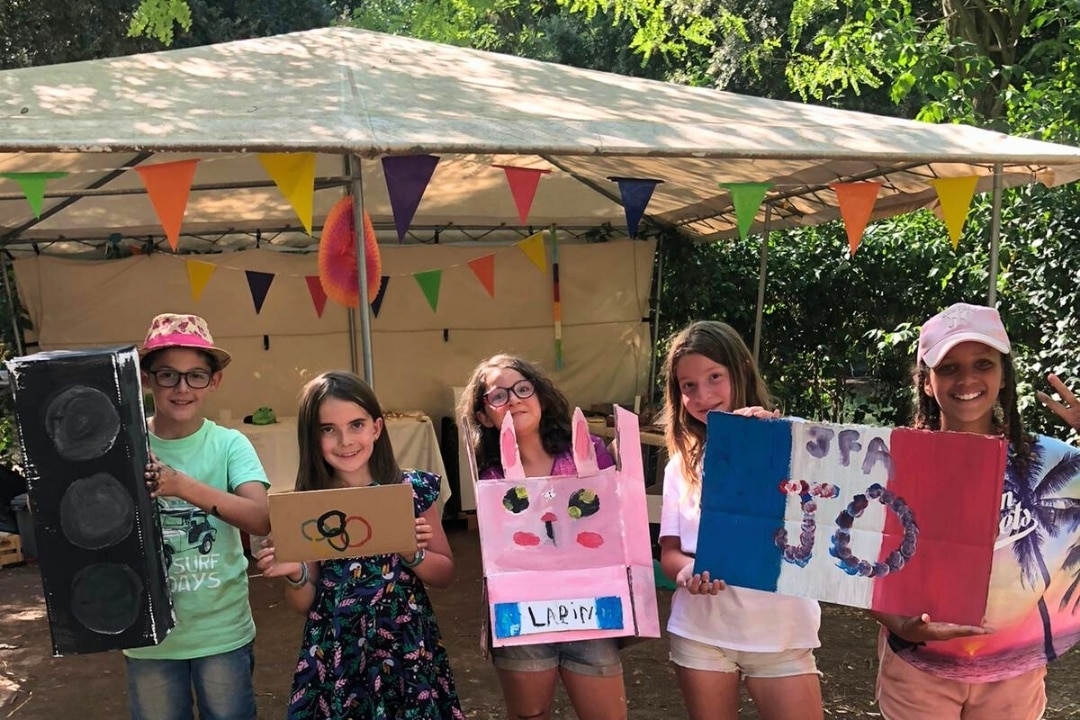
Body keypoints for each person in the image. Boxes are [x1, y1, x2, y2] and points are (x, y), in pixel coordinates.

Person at [871, 302, 1080, 720]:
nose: (967, 379)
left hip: (1014, 676)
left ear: (1003, 376)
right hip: (918, 671)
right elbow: (863, 563)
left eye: (983, 363)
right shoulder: (892, 462)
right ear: (926, 383)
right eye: (948, 368)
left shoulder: (1056, 464)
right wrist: (899, 624)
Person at [256, 371, 464, 720]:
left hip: (404, 645)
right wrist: (294, 574)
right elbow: (305, 601)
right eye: (328, 429)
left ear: (376, 429)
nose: (345, 440)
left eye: (356, 425)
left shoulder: (410, 491)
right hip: (337, 650)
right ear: (312, 437)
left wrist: (412, 553)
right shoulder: (309, 506)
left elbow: (444, 573)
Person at [656, 320, 823, 720]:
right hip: (701, 635)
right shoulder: (682, 466)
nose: (703, 394)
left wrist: (772, 440)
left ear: (742, 372)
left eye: (715, 377)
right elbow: (670, 553)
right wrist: (688, 573)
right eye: (688, 385)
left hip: (782, 634)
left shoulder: (796, 441)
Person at [458, 354, 628, 720]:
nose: (515, 399)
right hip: (522, 616)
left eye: (522, 388)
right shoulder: (492, 480)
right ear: (485, 416)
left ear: (541, 396)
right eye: (498, 396)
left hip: (591, 610)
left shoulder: (590, 455)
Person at [127, 313, 271, 720]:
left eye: (196, 376)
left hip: (221, 631)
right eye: (168, 375)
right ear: (146, 378)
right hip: (149, 635)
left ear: (214, 381)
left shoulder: (229, 445)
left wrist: (181, 486)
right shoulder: (123, 445)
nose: (182, 388)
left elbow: (260, 518)